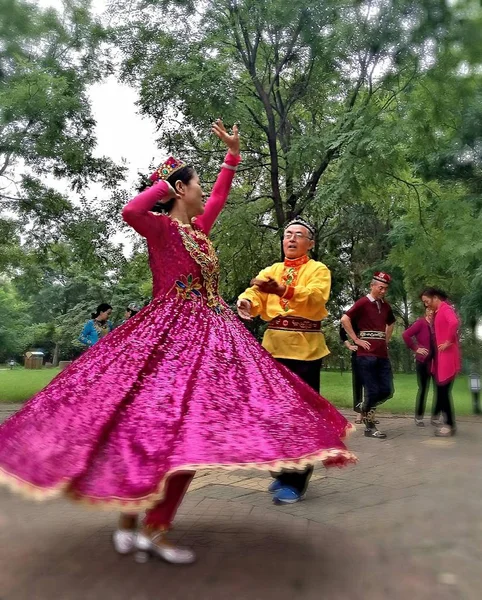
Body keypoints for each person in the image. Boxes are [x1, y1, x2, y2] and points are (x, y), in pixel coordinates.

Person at [0, 121, 356, 567]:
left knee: (187, 430)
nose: (203, 190)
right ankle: (141, 521)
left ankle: (147, 523)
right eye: (196, 184)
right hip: (166, 337)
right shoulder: (161, 229)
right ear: (180, 189)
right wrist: (161, 185)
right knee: (153, 427)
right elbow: (130, 212)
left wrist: (232, 156)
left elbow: (221, 198)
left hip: (209, 334)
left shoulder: (199, 230)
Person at [237, 218, 331, 504]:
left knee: (300, 417)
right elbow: (255, 291)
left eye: (298, 235)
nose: (291, 239)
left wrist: (282, 290)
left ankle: (296, 479)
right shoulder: (272, 270)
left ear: (310, 243)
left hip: (305, 351)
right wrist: (247, 302)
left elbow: (315, 298)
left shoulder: (318, 270)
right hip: (273, 351)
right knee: (272, 414)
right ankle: (280, 472)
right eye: (287, 234)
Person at [340, 272, 396, 439]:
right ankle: (369, 427)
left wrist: (386, 340)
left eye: (385, 288)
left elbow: (391, 322)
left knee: (387, 390)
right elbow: (344, 319)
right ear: (372, 286)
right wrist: (356, 339)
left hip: (382, 354)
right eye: (380, 288)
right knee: (371, 390)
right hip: (366, 354)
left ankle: (365, 408)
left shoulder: (385, 306)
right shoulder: (363, 302)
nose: (383, 291)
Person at [420, 288, 460, 437]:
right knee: (442, 391)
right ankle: (449, 423)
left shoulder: (445, 308)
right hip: (442, 358)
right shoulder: (439, 311)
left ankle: (449, 425)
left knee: (442, 391)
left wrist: (449, 341)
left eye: (427, 301)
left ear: (435, 297)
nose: (426, 305)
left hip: (447, 357)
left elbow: (454, 322)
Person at [402, 308, 436, 427]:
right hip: (423, 361)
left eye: (433, 310)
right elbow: (406, 334)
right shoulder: (421, 323)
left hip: (436, 362)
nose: (431, 312)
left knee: (438, 389)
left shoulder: (437, 324)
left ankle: (435, 417)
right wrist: (416, 348)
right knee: (423, 388)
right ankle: (419, 417)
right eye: (429, 310)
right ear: (426, 310)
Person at [339, 324, 363, 424]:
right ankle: (360, 412)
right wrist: (349, 345)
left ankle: (370, 413)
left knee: (372, 384)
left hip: (374, 353)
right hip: (358, 354)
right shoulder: (353, 317)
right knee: (358, 383)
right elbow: (342, 331)